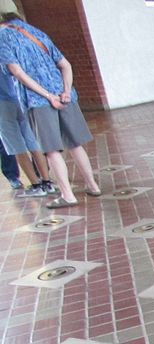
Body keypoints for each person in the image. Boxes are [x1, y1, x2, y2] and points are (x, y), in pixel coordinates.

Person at [0, 12, 100, 208]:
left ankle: (68, 195)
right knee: (75, 144)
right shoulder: (36, 32)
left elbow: (17, 72)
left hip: (38, 100)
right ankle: (93, 185)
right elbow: (65, 65)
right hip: (64, 93)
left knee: (51, 150)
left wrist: (47, 96)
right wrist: (65, 91)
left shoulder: (3, 38)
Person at [0, 63, 55, 198]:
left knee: (16, 146)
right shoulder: (6, 51)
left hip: (2, 105)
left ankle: (36, 185)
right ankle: (47, 182)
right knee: (32, 142)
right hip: (18, 98)